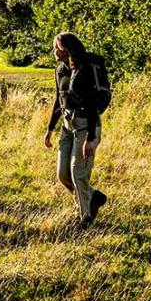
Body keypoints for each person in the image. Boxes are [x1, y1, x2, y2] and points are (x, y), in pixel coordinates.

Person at [43, 32, 111, 228]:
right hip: (67, 126)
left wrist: (91, 138)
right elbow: (59, 100)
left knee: (77, 173)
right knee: (63, 174)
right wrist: (49, 129)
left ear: (66, 49)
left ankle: (85, 219)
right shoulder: (60, 70)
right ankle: (93, 197)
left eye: (56, 47)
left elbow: (91, 105)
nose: (53, 51)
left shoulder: (84, 70)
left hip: (85, 126)